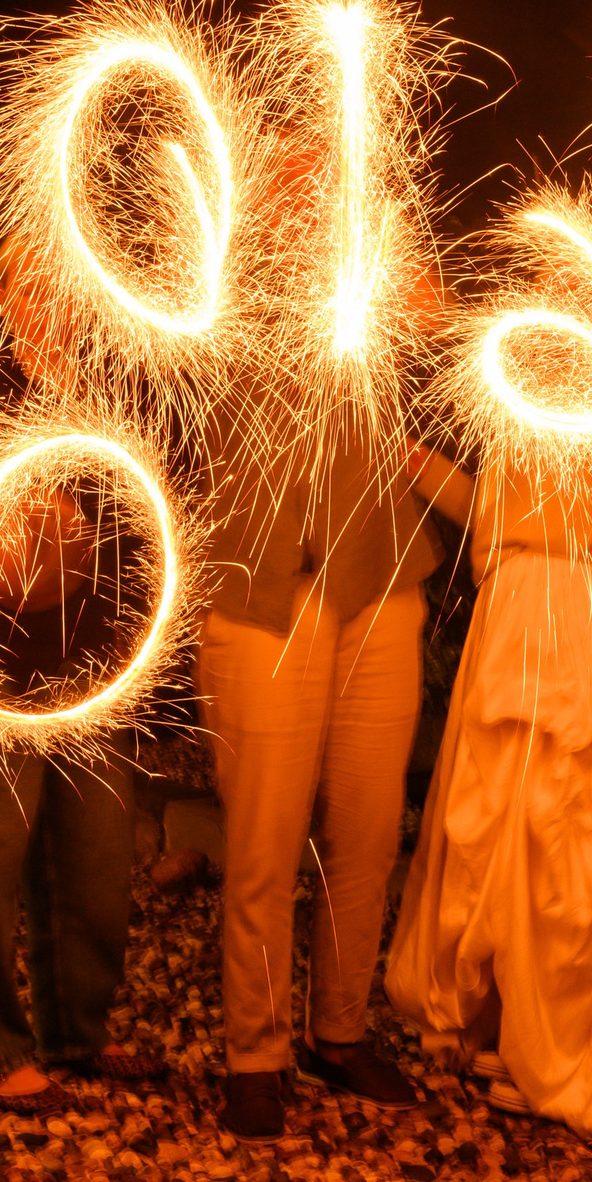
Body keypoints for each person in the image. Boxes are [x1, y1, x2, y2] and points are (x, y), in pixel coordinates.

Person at [384, 437, 592, 1138]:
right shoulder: (506, 353)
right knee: (509, 819)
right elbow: (497, 504)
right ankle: (514, 1024)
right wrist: (414, 460)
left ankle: (578, 1041)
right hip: (524, 594)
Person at [0, 250, 162, 1114]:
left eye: (66, 276)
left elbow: (147, 504)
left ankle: (77, 1032)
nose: (57, 294)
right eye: (35, 279)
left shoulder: (109, 383)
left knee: (95, 858)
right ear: (1, 285)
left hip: (91, 662)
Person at [197, 393, 437, 1142]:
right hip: (263, 587)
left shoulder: (381, 276)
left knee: (367, 833)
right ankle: (255, 1055)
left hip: (379, 569)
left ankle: (339, 1032)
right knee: (265, 840)